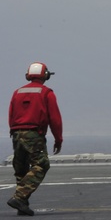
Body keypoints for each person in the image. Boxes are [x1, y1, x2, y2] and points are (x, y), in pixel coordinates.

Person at [8, 62, 63, 217]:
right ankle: (19, 197)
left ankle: (22, 206)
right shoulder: (46, 93)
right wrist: (58, 139)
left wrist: (14, 132)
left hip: (17, 134)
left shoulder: (17, 92)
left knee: (21, 170)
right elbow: (55, 119)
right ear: (45, 75)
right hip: (34, 134)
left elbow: (11, 115)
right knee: (41, 165)